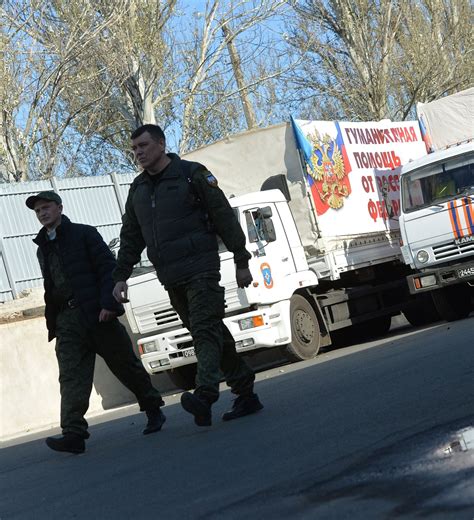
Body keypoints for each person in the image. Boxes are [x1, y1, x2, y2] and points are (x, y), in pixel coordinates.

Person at [112, 124, 263, 427]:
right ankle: (245, 390)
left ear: (161, 144)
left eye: (143, 146)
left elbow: (223, 217)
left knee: (205, 329)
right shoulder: (139, 189)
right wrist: (121, 276)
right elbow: (131, 236)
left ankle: (205, 393)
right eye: (135, 149)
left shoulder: (191, 174)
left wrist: (241, 259)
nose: (139, 153)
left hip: (201, 268)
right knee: (210, 332)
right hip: (170, 276)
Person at [26, 191, 165, 454]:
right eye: (38, 211)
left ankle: (153, 407)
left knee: (125, 365)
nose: (42, 213)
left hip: (97, 314)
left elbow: (107, 269)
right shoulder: (42, 247)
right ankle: (73, 433)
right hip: (67, 320)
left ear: (59, 208)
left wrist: (108, 305)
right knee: (71, 376)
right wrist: (55, 319)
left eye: (46, 207)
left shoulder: (84, 234)